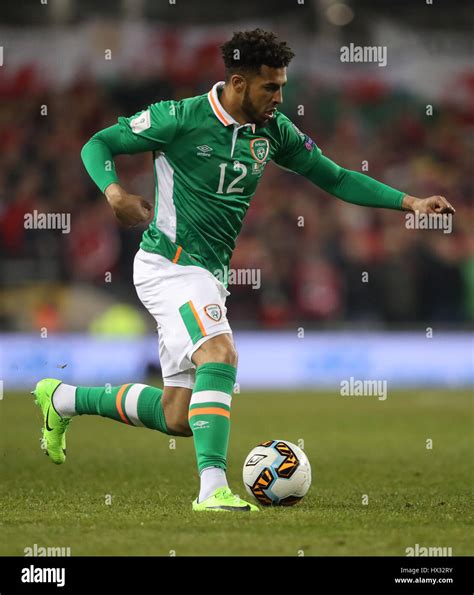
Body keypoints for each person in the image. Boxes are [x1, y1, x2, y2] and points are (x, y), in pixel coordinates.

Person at [33, 29, 454, 512]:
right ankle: (212, 490)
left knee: (179, 415)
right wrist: (114, 194)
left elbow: (335, 177)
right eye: (270, 87)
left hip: (208, 274)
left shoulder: (273, 130)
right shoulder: (180, 117)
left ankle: (62, 398)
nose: (280, 97)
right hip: (170, 265)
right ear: (237, 83)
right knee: (221, 355)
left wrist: (411, 202)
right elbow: (98, 144)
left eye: (282, 86)